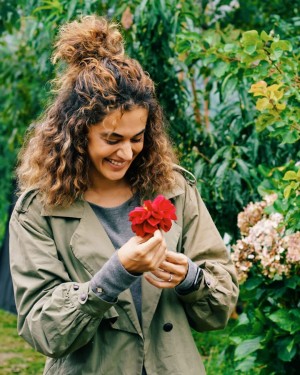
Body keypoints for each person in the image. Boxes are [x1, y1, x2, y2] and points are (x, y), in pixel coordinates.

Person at [9, 15, 239, 375]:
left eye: (137, 138)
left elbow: (221, 304)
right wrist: (113, 275)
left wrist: (191, 277)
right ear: (77, 132)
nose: (127, 153)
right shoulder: (40, 210)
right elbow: (42, 327)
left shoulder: (174, 190)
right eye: (112, 139)